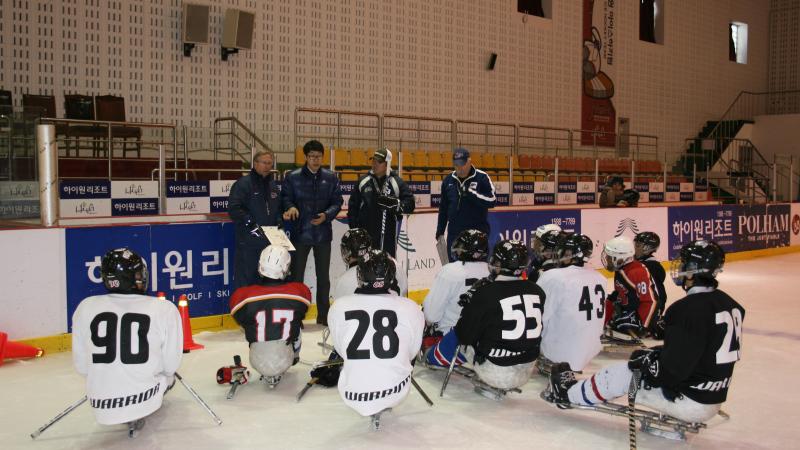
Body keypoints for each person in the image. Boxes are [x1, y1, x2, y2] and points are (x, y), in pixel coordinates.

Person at [549, 240, 744, 424]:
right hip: (712, 397)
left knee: (620, 373)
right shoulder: (731, 304)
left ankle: (569, 394)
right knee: (647, 357)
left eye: (684, 264)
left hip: (689, 400)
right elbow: (701, 350)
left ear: (693, 271)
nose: (680, 268)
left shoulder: (686, 309)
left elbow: (671, 372)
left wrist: (649, 364)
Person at [72, 248, 182, 432]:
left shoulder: (85, 307)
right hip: (145, 400)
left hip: (100, 404)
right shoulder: (164, 308)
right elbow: (170, 366)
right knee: (168, 376)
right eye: (138, 274)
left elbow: (82, 367)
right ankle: (137, 410)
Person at [327, 249, 425, 418]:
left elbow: (341, 349)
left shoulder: (339, 306)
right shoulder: (410, 307)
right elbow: (412, 352)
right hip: (396, 390)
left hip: (352, 392)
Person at [451, 239, 545, 391]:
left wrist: (470, 305)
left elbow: (464, 336)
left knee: (462, 335)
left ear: (498, 264)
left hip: (494, 369)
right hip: (527, 368)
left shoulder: (486, 293)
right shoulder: (538, 291)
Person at [282, 140, 344, 326]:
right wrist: (291, 207)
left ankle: (323, 315)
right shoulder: (293, 177)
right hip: (300, 233)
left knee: (323, 278)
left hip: (323, 234)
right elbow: (286, 198)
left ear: (322, 157)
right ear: (306, 157)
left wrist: (327, 215)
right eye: (311, 156)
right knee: (297, 277)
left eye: (318, 156)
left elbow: (337, 201)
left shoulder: (331, 177)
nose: (315, 160)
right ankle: (297, 316)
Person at [229, 245, 311, 384]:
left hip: (256, 359)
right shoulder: (299, 292)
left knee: (249, 320)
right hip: (285, 359)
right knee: (296, 324)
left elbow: (240, 319)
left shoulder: (243, 296)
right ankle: (295, 356)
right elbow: (300, 313)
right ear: (285, 268)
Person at [537, 233, 607, 372]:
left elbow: (538, 316)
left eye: (563, 250)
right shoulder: (601, 278)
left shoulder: (553, 276)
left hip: (558, 350)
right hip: (590, 349)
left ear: (570, 253)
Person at [228, 150, 282, 290]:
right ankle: (242, 311)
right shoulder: (243, 184)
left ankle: (260, 310)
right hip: (248, 241)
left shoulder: (273, 185)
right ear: (255, 163)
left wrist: (279, 220)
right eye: (264, 163)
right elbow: (234, 208)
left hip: (269, 242)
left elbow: (277, 208)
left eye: (270, 163)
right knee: (246, 279)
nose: (267, 166)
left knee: (264, 281)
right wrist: (250, 224)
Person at [347, 147, 415, 257]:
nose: (374, 164)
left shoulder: (396, 182)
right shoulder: (363, 181)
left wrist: (397, 205)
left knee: (387, 267)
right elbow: (352, 208)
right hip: (365, 237)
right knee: (365, 269)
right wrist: (355, 231)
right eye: (373, 161)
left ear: (387, 164)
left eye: (379, 162)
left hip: (388, 237)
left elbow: (410, 204)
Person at [423, 229, 490, 337]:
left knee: (428, 352)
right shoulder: (491, 272)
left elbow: (431, 316)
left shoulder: (449, 271)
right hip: (484, 338)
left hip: (452, 337)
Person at [436, 147, 497, 262]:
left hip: (477, 234)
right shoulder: (448, 180)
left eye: (462, 164)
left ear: (469, 161)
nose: (460, 168)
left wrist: (471, 193)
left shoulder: (482, 177)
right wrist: (440, 230)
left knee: (477, 268)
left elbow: (492, 200)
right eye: (456, 165)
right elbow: (443, 208)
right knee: (453, 268)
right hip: (454, 233)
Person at [601, 236, 657, 336]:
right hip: (628, 310)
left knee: (621, 325)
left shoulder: (637, 272)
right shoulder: (621, 268)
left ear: (620, 258)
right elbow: (620, 293)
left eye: (609, 256)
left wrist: (643, 326)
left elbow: (650, 301)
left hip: (642, 316)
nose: (606, 258)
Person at [333, 228, 407, 299]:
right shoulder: (394, 263)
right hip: (398, 308)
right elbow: (404, 291)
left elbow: (340, 305)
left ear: (347, 251)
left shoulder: (344, 280)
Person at [634, 231, 667, 338]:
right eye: (636, 245)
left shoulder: (652, 266)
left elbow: (659, 294)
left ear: (647, 248)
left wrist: (656, 312)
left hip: (652, 306)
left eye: (638, 245)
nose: (635, 248)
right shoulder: (641, 263)